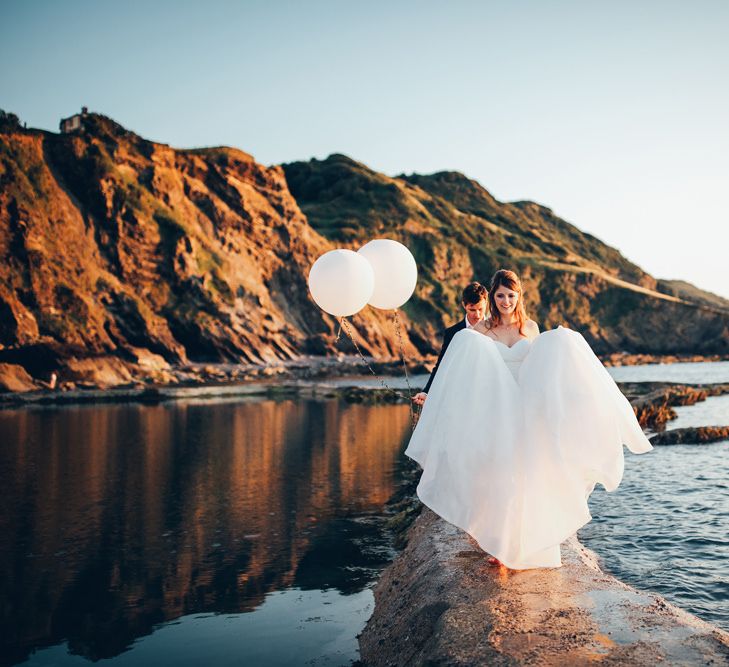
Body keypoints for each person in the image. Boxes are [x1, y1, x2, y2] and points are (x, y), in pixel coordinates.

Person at [404, 269, 653, 570]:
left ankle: (527, 542)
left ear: (519, 296)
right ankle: (499, 542)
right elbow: (462, 368)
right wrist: (435, 396)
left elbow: (540, 367)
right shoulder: (480, 330)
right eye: (500, 296)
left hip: (526, 410)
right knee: (496, 476)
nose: (506, 301)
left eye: (511, 295)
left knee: (526, 476)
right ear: (492, 298)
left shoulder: (531, 327)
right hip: (495, 411)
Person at [412, 282, 488, 406]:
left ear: (486, 303)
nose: (477, 315)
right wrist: (426, 392)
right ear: (464, 305)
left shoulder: (495, 329)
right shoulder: (452, 332)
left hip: (488, 391)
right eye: (472, 310)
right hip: (460, 395)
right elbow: (441, 365)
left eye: (481, 309)